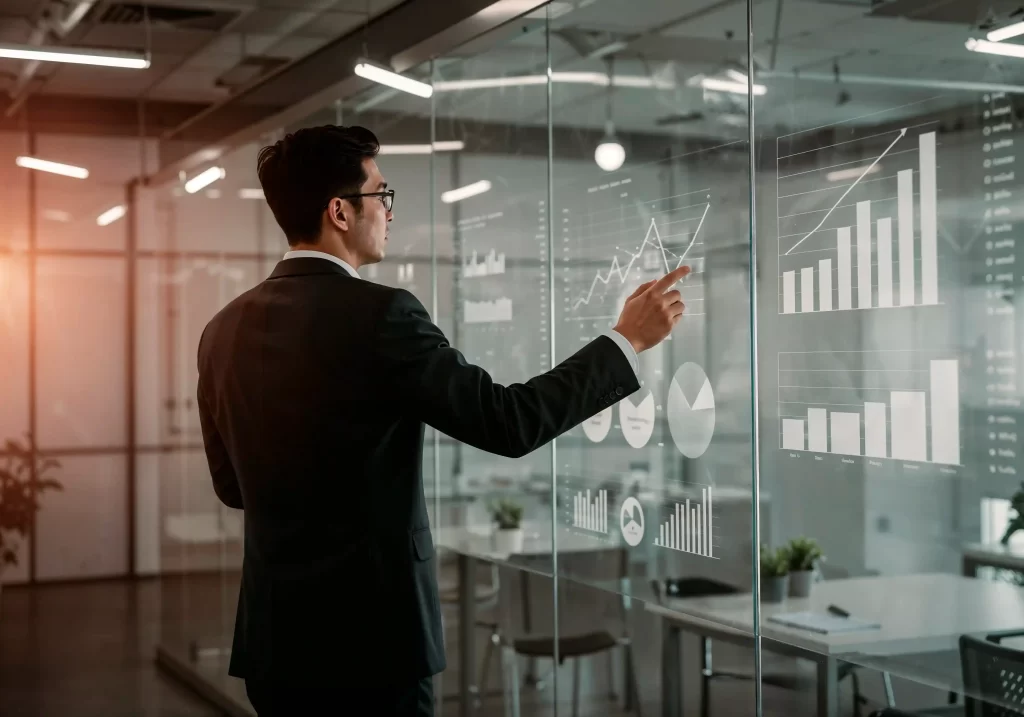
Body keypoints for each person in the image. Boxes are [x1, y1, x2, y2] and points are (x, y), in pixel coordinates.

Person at [196, 125, 689, 716]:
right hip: (375, 648)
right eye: (382, 195)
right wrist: (625, 342)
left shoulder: (221, 330)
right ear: (340, 212)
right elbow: (507, 423)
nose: (390, 212)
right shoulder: (382, 316)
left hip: (275, 643)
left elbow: (232, 488)